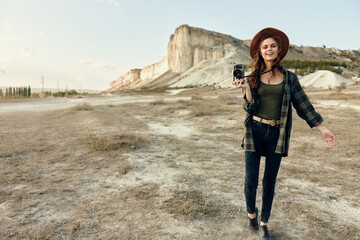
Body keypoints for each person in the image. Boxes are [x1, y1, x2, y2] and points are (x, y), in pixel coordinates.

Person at [232, 27, 336, 240]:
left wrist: (323, 128)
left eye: (272, 46)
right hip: (255, 130)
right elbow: (250, 109)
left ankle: (264, 224)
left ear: (279, 50)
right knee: (251, 180)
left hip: (277, 134)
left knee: (270, 181)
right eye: (265, 47)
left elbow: (303, 105)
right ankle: (252, 214)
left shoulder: (290, 78)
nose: (269, 49)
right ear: (260, 52)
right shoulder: (252, 76)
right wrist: (247, 90)